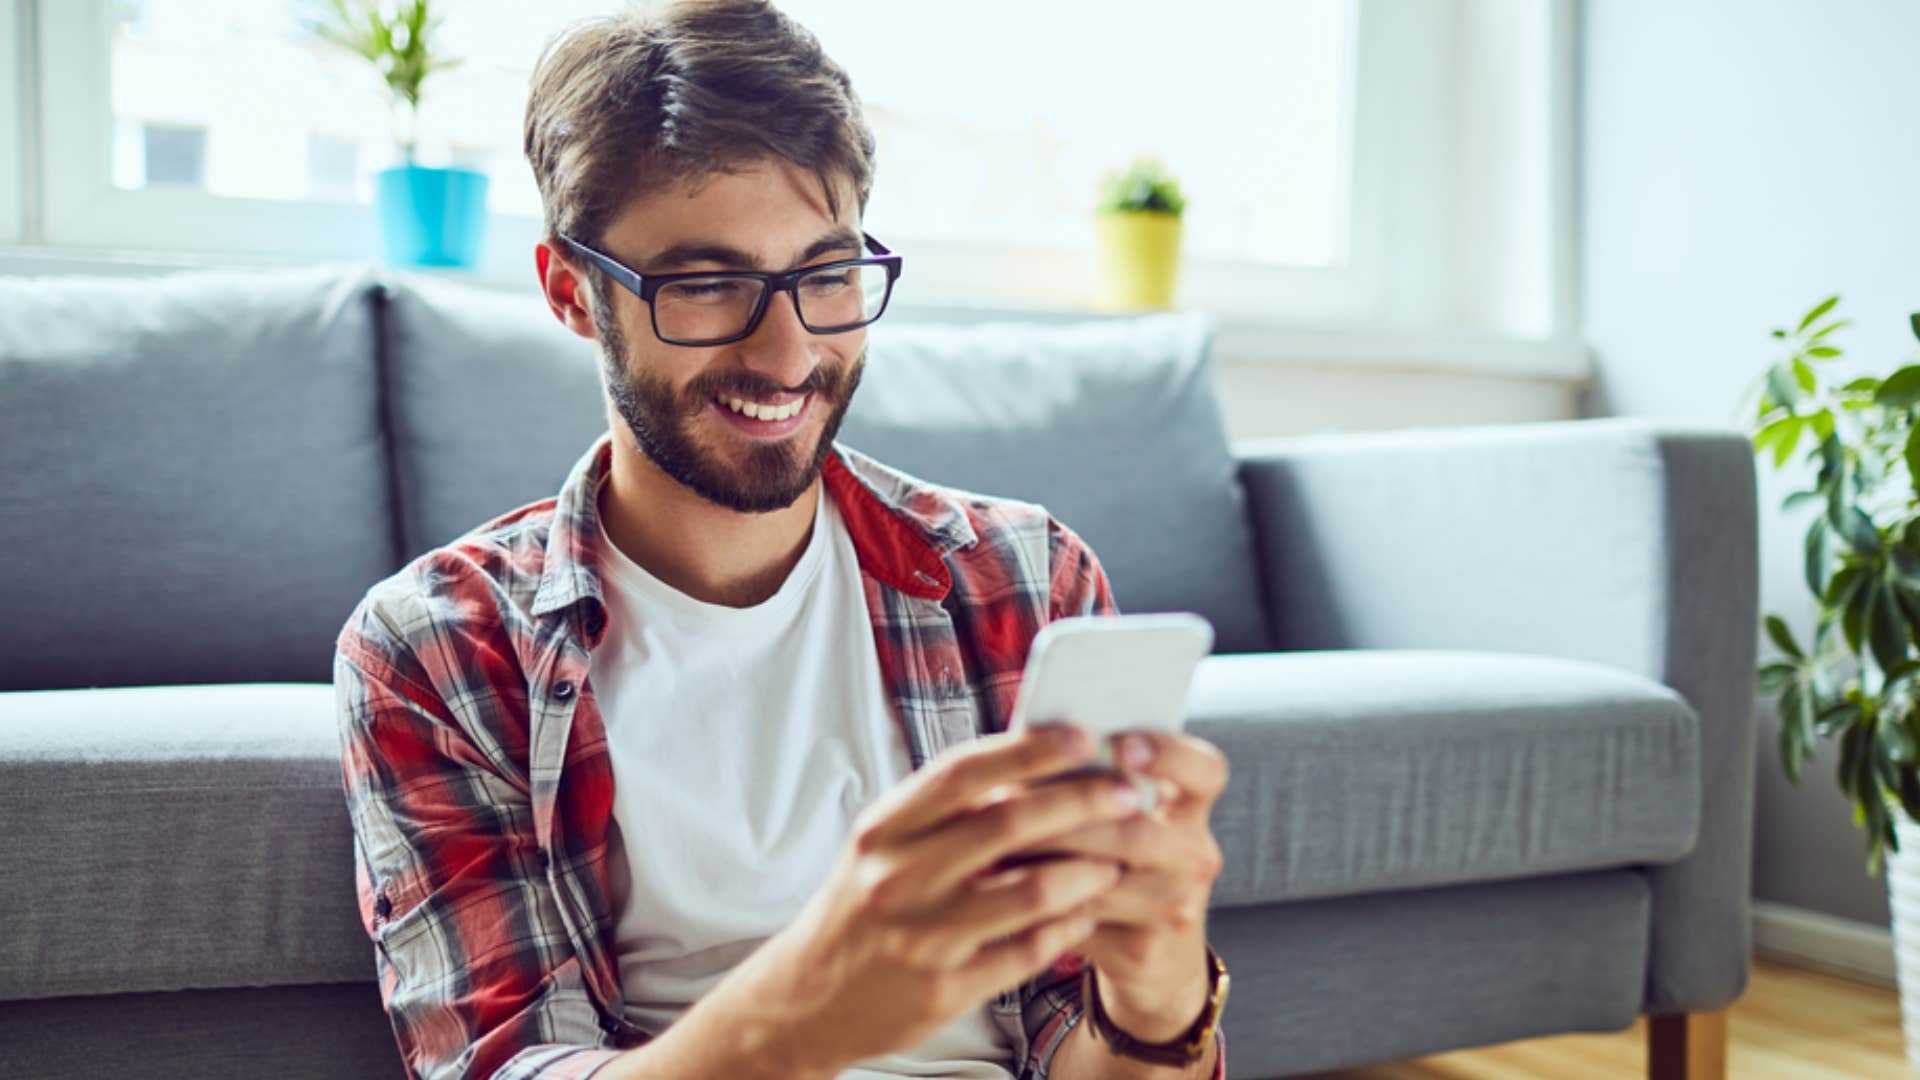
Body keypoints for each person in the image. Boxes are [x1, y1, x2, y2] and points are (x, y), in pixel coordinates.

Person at [332, 3, 1230, 1077]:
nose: (789, 349)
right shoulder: (435, 648)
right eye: (707, 283)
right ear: (572, 292)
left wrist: (1160, 991)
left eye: (827, 273)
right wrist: (822, 999)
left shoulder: (1024, 581)